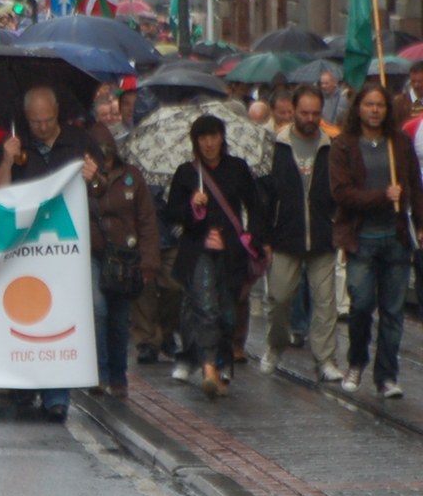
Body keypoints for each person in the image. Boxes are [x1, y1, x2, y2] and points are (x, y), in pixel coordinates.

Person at [0, 86, 96, 421]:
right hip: (26, 250)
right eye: (35, 122)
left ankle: (57, 393)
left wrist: (93, 179)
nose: (42, 127)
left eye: (48, 120)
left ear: (58, 113)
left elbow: (105, 186)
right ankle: (25, 385)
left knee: (62, 316)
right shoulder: (16, 144)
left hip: (67, 250)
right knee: (26, 314)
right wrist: (7, 161)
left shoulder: (81, 143)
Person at [330, 83, 423, 398]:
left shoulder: (399, 143)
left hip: (395, 238)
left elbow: (413, 184)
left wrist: (419, 220)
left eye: (380, 105)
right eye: (369, 105)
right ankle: (356, 361)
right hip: (362, 239)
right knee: (362, 305)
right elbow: (342, 194)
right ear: (358, 108)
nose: (374, 110)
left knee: (393, 311)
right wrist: (382, 197)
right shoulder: (344, 145)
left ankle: (386, 376)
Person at [164, 114, 264, 400]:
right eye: (203, 138)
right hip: (199, 251)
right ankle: (208, 368)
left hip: (232, 252)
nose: (209, 144)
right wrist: (192, 208)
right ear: (195, 142)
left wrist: (253, 238)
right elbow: (172, 212)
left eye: (213, 136)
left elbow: (255, 206)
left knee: (228, 313)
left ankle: (221, 365)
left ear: (222, 138)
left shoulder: (238, 169)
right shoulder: (187, 173)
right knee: (205, 307)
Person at [259, 85, 342, 383]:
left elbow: (339, 191)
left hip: (322, 233)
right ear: (292, 110)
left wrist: (336, 221)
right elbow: (265, 196)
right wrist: (265, 237)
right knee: (279, 298)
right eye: (304, 112)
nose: (310, 118)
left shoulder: (331, 146)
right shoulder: (276, 146)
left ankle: (325, 358)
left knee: (325, 302)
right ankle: (275, 345)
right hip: (285, 234)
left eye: (316, 113)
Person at [84, 125, 159, 400]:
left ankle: (118, 374)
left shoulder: (132, 177)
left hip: (125, 259)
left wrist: (149, 261)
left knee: (119, 318)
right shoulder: (82, 176)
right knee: (98, 310)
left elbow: (147, 220)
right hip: (93, 254)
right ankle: (99, 373)